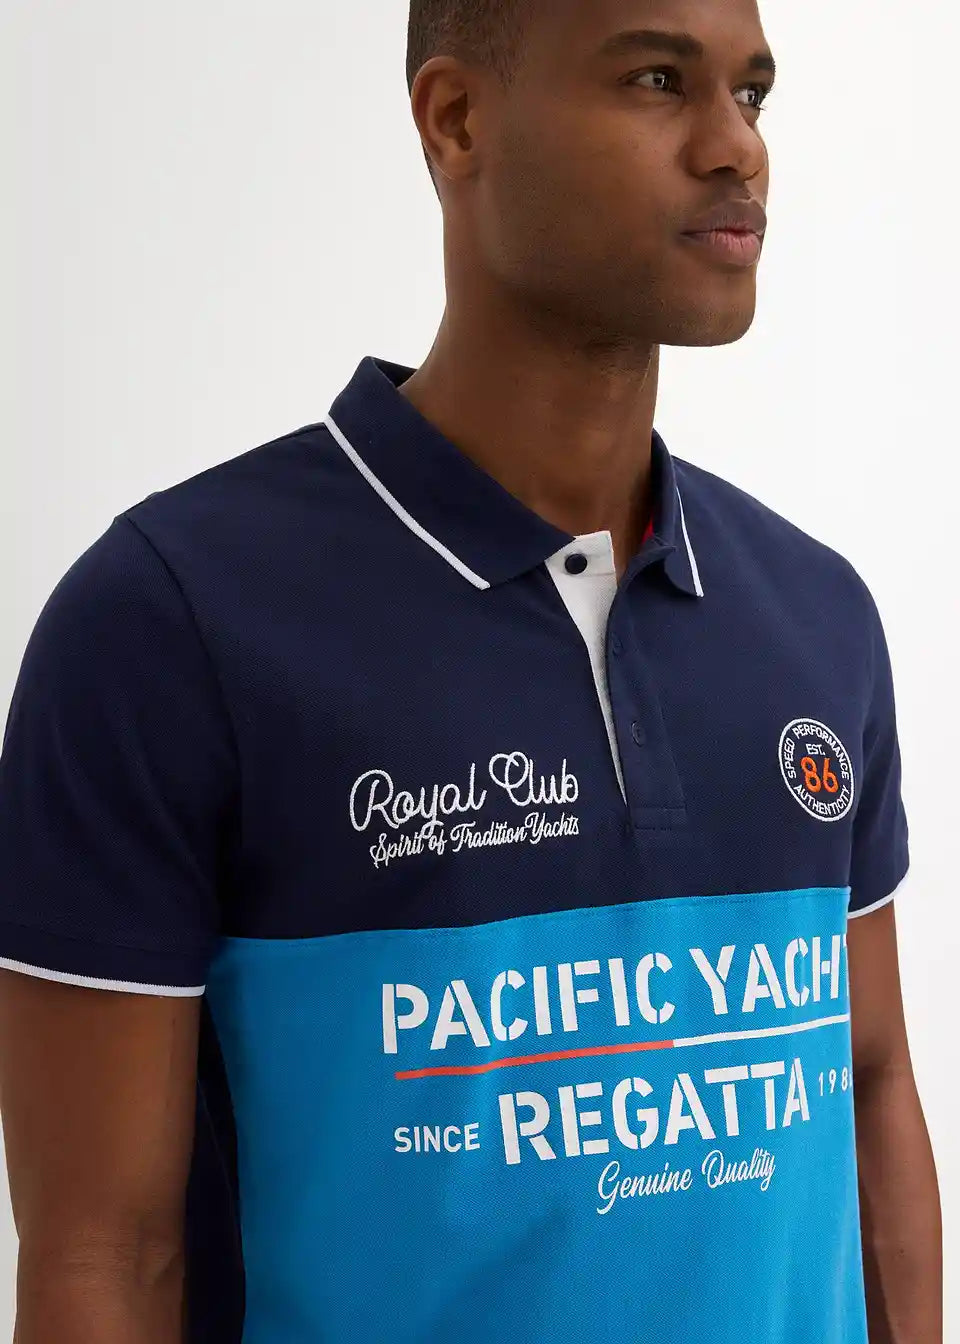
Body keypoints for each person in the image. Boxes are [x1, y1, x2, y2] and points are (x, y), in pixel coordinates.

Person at [0, 0, 943, 1340]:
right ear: (456, 121)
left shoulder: (816, 614)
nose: (736, 147)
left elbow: (872, 1088)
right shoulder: (171, 622)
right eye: (658, 80)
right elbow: (107, 1252)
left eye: (752, 93)